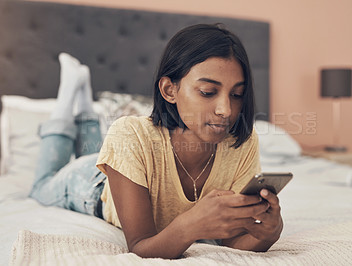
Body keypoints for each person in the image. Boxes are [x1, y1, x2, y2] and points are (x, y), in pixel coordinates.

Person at [30, 24, 283, 259]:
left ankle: (85, 108)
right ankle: (68, 98)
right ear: (169, 90)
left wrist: (268, 233)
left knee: (100, 150)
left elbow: (233, 241)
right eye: (208, 92)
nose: (226, 110)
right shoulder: (129, 134)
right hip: (92, 186)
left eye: (237, 94)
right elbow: (141, 247)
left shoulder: (243, 143)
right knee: (41, 185)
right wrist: (192, 223)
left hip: (125, 163)